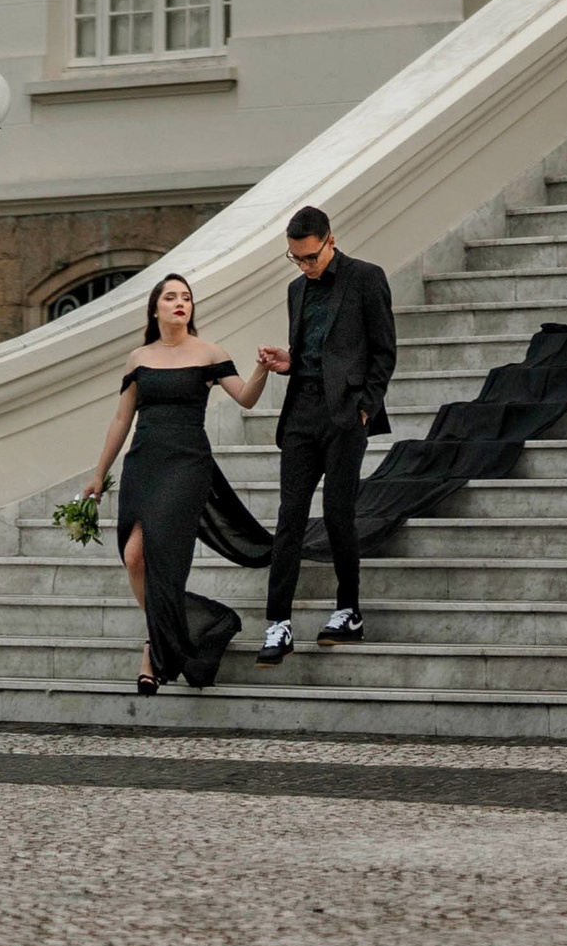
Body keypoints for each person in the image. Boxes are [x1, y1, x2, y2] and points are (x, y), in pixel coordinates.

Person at [83, 274, 273, 693]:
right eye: (170, 297)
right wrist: (99, 473)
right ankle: (169, 631)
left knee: (159, 558)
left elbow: (246, 398)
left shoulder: (209, 353)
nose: (180, 303)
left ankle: (153, 648)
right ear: (155, 309)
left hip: (187, 465)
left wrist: (261, 369)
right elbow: (121, 419)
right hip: (143, 463)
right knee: (134, 557)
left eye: (186, 297)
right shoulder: (139, 358)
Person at [255, 204, 395, 662]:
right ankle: (279, 623)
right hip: (300, 412)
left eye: (310, 257)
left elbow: (383, 351)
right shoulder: (297, 289)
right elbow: (314, 350)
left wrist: (364, 408)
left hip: (344, 414)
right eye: (296, 258)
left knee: (337, 513)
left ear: (330, 241)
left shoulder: (366, 278)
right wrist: (289, 362)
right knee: (290, 515)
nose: (304, 266)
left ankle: (349, 609)